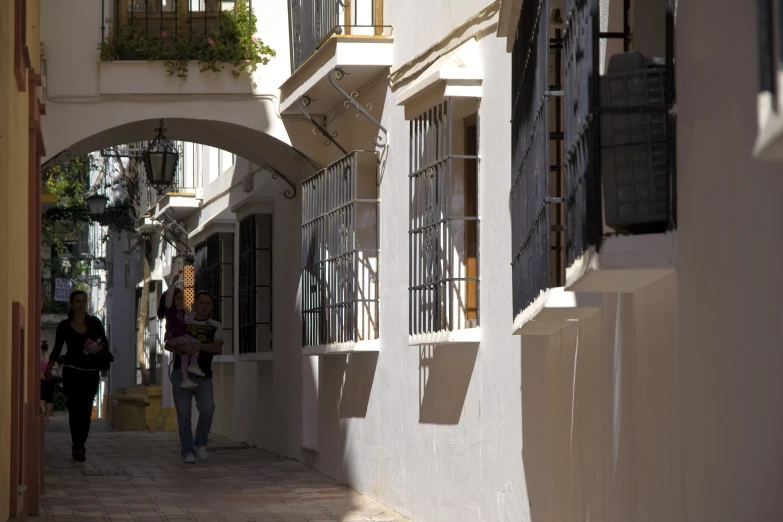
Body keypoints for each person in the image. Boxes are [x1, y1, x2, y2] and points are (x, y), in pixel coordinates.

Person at [45, 289, 110, 462]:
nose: (81, 305)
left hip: (90, 374)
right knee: (75, 411)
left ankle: (81, 444)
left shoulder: (95, 323)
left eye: (83, 301)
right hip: (72, 373)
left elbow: (105, 342)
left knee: (86, 410)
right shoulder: (64, 326)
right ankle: (77, 446)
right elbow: (57, 349)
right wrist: (48, 369)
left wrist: (99, 348)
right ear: (72, 304)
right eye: (77, 301)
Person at [165, 290, 224, 464]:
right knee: (183, 415)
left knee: (208, 409)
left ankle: (201, 442)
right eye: (201, 303)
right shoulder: (184, 322)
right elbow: (168, 344)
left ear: (211, 306)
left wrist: (197, 345)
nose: (204, 306)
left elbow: (217, 347)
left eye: (208, 303)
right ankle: (188, 450)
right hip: (181, 374)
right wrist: (182, 346)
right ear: (194, 304)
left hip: (204, 375)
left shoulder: (215, 325)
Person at [158, 272, 204, 389]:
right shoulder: (170, 309)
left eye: (181, 298)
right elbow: (168, 297)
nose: (180, 300)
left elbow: (187, 321)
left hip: (179, 336)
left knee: (184, 358)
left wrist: (193, 311)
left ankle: (185, 380)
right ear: (172, 300)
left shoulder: (181, 310)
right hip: (175, 336)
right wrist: (173, 283)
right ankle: (193, 365)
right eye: (178, 298)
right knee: (196, 343)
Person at [40, 341, 55, 420]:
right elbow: (56, 368)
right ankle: (48, 417)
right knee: (49, 398)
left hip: (41, 378)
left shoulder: (39, 358)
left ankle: (43, 410)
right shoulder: (50, 357)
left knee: (42, 397)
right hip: (50, 379)